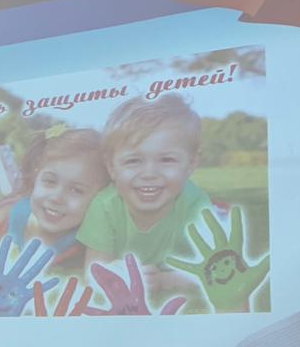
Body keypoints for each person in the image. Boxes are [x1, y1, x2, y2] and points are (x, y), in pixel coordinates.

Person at [76, 94, 210, 292]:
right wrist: (115, 277)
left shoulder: (195, 203)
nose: (149, 174)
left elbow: (215, 271)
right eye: (133, 161)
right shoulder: (105, 206)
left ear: (191, 164)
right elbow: (93, 272)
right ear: (111, 167)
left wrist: (166, 281)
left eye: (166, 160)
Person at [0, 126, 109, 268]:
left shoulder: (89, 238)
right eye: (49, 181)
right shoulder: (5, 218)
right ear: (36, 177)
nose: (56, 198)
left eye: (76, 190)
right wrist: (1, 266)